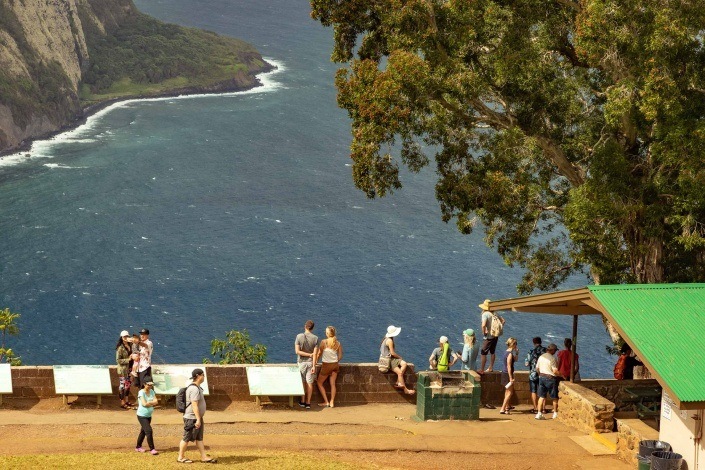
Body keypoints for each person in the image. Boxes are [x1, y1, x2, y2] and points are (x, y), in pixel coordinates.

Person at [178, 368, 216, 464]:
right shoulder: (194, 389)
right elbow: (194, 404)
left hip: (197, 417)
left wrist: (199, 418)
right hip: (192, 418)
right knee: (186, 438)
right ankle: (180, 457)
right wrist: (198, 419)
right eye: (203, 375)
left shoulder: (197, 387)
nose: (204, 377)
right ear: (198, 376)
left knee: (199, 438)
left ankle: (204, 457)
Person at [381, 325, 415, 395]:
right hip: (389, 360)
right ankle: (405, 390)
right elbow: (392, 353)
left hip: (390, 359)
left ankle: (398, 382)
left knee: (404, 364)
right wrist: (399, 357)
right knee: (399, 373)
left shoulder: (385, 339)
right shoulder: (390, 340)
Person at [314, 325, 343, 408]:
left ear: (327, 333)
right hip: (335, 365)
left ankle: (326, 402)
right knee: (332, 384)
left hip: (326, 365)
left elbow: (319, 353)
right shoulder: (338, 343)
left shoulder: (324, 342)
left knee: (319, 383)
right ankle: (332, 402)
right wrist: (336, 361)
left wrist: (315, 361)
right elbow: (340, 355)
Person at [295, 320, 318, 409]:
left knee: (303, 382)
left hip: (301, 363)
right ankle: (308, 403)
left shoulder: (299, 336)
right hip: (310, 363)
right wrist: (313, 366)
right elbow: (315, 354)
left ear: (305, 326)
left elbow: (297, 351)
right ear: (312, 328)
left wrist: (307, 354)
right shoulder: (315, 338)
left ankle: (302, 401)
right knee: (309, 383)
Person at [535, 343, 560, 420]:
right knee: (554, 397)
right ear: (552, 350)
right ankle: (555, 413)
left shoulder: (541, 357)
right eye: (555, 350)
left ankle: (539, 414)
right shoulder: (552, 358)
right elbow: (555, 371)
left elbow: (537, 368)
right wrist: (562, 375)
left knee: (541, 396)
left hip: (542, 377)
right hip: (550, 378)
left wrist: (540, 375)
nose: (555, 352)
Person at [478, 299, 505, 373]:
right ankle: (491, 367)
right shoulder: (495, 313)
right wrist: (497, 329)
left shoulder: (485, 314)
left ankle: (482, 370)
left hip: (488, 337)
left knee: (483, 353)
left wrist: (484, 332)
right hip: (495, 336)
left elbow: (483, 325)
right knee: (492, 352)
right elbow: (503, 321)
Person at [135, 380, 159, 455]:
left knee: (143, 432)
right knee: (149, 431)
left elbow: (156, 401)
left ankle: (138, 447)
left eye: (151, 385)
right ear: (144, 384)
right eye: (148, 385)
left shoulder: (151, 391)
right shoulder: (141, 392)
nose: (150, 386)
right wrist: (152, 403)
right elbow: (144, 404)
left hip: (148, 416)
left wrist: (150, 403)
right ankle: (152, 449)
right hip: (142, 416)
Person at [524, 337, 546, 414]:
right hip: (543, 374)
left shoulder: (531, 352)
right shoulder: (545, 351)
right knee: (542, 391)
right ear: (541, 342)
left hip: (533, 374)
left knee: (533, 391)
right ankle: (543, 408)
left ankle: (535, 408)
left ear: (534, 343)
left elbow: (526, 364)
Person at [115, 330, 135, 410]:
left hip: (129, 369)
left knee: (128, 385)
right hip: (123, 370)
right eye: (124, 337)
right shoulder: (120, 348)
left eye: (127, 336)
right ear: (122, 338)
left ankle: (126, 400)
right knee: (122, 386)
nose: (126, 338)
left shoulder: (131, 345)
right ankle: (122, 402)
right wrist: (128, 360)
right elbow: (118, 360)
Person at [499, 337, 518, 415]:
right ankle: (502, 408)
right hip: (507, 374)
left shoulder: (506, 352)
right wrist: (511, 378)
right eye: (516, 344)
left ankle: (507, 407)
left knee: (507, 391)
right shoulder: (509, 354)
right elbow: (509, 366)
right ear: (513, 344)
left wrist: (517, 353)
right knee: (510, 392)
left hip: (504, 373)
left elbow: (516, 359)